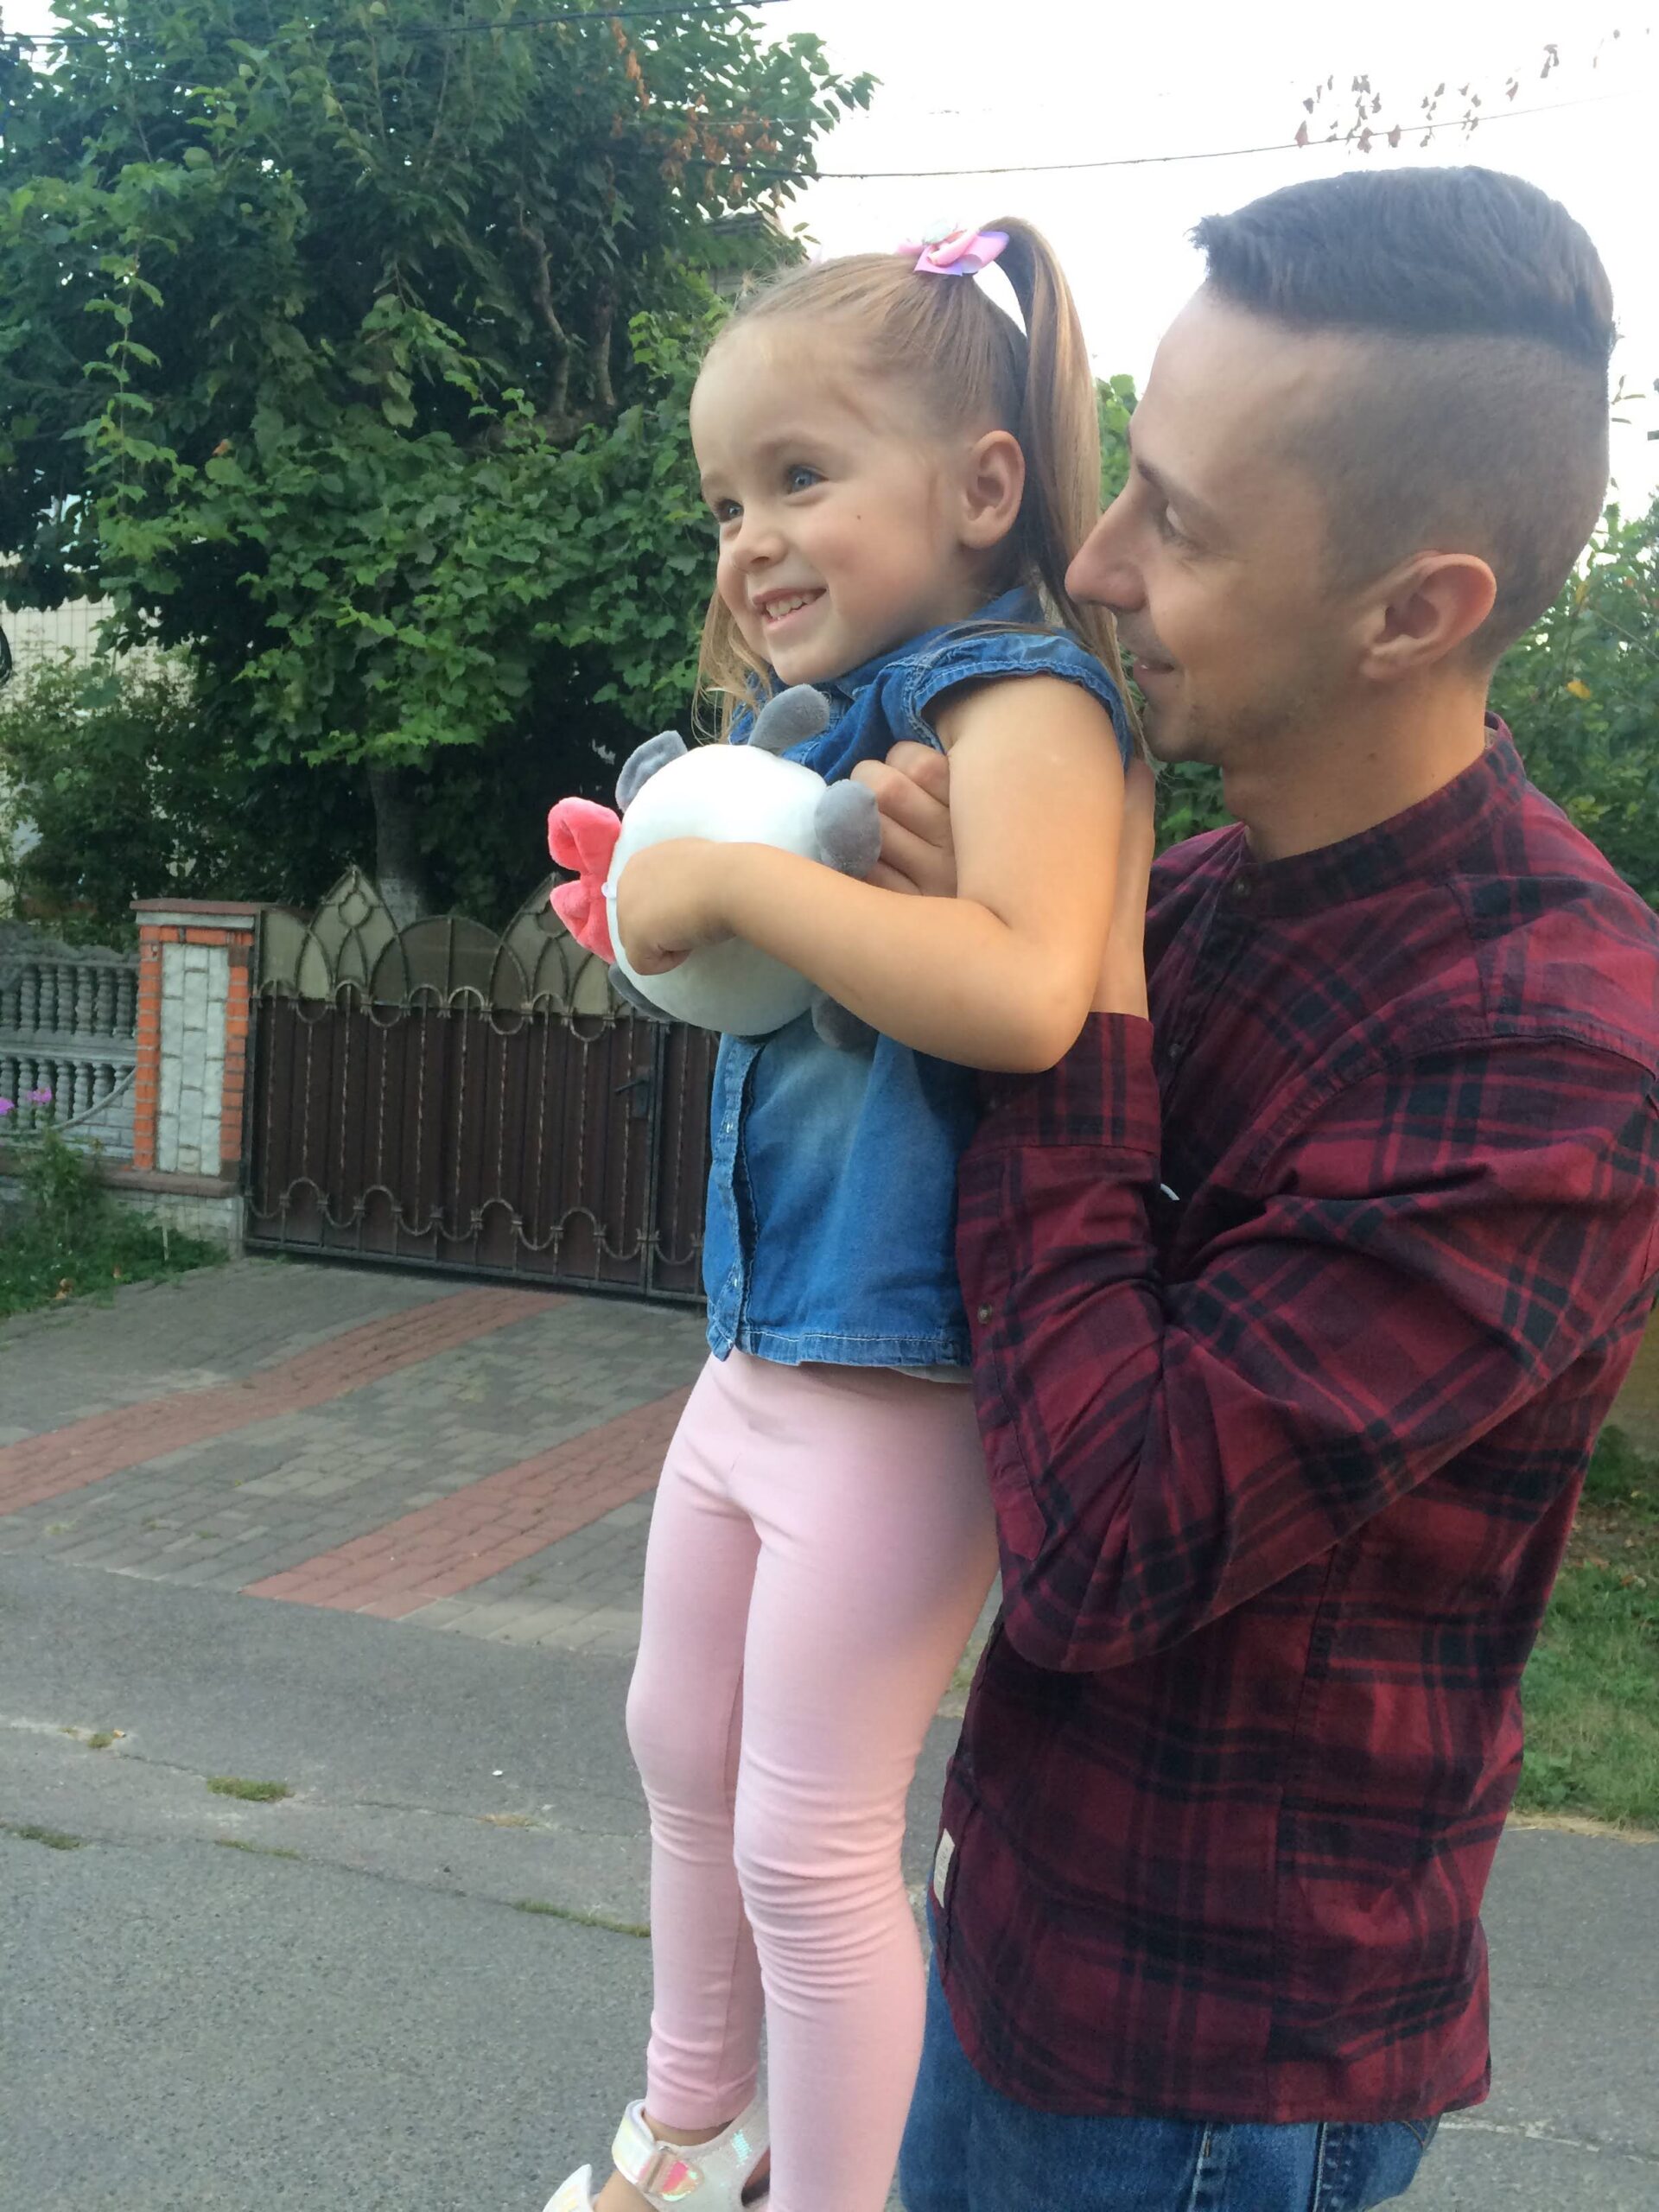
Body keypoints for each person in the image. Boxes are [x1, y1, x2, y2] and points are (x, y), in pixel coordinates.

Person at [849, 167, 1659, 2212]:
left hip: (1208, 2083)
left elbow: (1108, 1538)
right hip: (1017, 1934)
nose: (1095, 563)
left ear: (1417, 611)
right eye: (1128, 479)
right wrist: (927, 951)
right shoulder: (1187, 899)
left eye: (1185, 524)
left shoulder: (1554, 1046)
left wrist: (1061, 1017)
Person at [543, 220, 1136, 2212]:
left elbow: (1026, 989)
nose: (750, 540)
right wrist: (683, 905)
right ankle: (694, 2121)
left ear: (982, 485)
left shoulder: (1022, 696)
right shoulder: (817, 724)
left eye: (800, 475)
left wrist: (740, 889)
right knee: (677, 1738)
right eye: (727, 501)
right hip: (762, 1345)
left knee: (807, 1838)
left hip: (903, 1377)